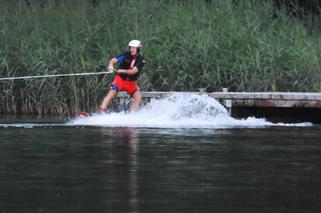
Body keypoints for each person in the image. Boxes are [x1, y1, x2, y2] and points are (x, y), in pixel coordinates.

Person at [98, 40, 146, 113]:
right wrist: (110, 65)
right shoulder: (126, 55)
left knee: (138, 97)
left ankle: (131, 114)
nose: (132, 49)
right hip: (120, 80)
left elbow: (133, 71)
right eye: (131, 48)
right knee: (111, 93)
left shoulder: (141, 60)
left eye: (134, 48)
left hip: (131, 83)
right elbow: (114, 60)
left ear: (138, 49)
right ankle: (101, 111)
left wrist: (122, 70)